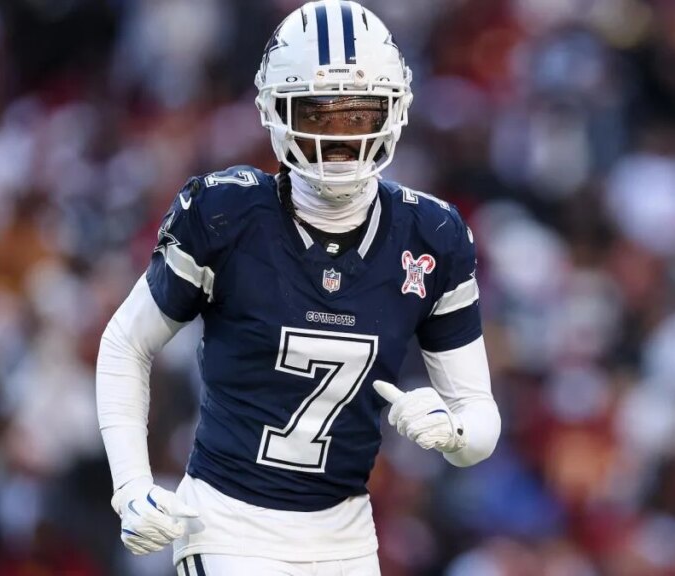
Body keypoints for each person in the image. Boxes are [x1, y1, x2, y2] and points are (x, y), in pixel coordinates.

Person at [95, 1, 501, 574]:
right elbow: (126, 343)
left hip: (347, 538)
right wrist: (131, 485)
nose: (339, 139)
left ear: (394, 111)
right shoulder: (226, 214)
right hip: (228, 524)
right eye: (318, 114)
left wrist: (454, 432)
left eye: (358, 115)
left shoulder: (432, 234)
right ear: (276, 111)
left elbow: (479, 418)